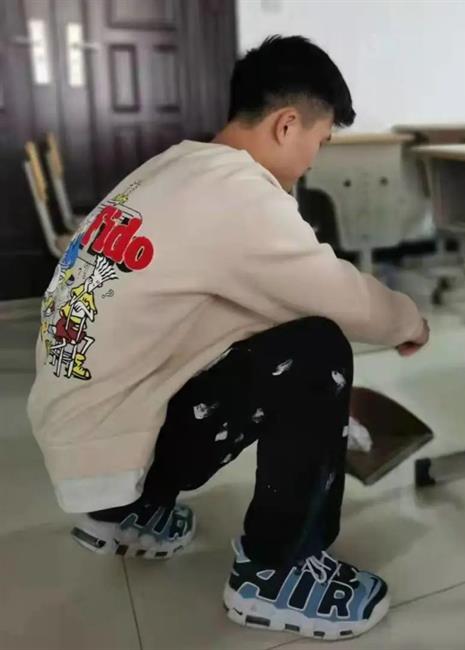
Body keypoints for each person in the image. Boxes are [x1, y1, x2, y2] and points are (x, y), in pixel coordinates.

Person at [27, 35, 429, 641]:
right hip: (110, 452)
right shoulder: (238, 194)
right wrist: (410, 321)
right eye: (320, 141)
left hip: (76, 438)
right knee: (315, 350)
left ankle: (128, 513)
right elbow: (344, 296)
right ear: (287, 125)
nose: (313, 161)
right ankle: (276, 573)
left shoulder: (169, 168)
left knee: (275, 334)